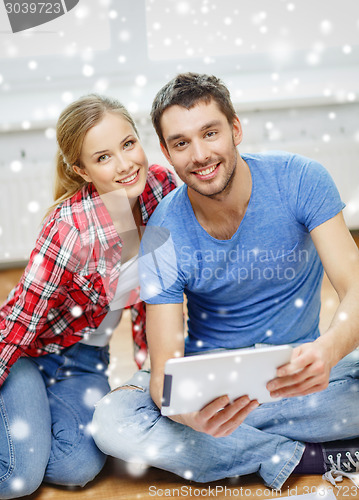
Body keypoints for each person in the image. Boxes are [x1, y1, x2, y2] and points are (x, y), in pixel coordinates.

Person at [92, 74, 359, 490]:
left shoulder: (301, 179)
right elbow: (165, 372)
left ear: (235, 129)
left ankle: (236, 446)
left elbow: (355, 286)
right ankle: (304, 456)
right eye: (181, 143)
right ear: (166, 151)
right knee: (113, 421)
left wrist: (328, 350)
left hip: (302, 373)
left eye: (210, 133)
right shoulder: (163, 230)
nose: (200, 155)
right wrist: (187, 415)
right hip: (213, 387)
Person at [0, 94, 176, 499]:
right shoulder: (71, 229)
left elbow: (158, 297)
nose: (125, 164)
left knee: (76, 467)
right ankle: (20, 407)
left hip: (85, 362)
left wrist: (155, 379)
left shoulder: (161, 189)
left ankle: (28, 417)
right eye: (103, 158)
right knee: (17, 478)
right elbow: (17, 325)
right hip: (28, 354)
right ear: (81, 170)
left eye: (128, 144)